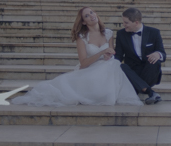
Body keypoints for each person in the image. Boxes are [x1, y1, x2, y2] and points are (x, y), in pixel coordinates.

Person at [12, 7, 142, 107]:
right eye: (87, 15)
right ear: (84, 22)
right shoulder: (82, 37)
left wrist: (108, 54)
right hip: (90, 69)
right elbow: (83, 63)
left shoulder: (108, 33)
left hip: (107, 68)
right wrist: (100, 54)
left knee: (114, 64)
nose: (91, 16)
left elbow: (113, 53)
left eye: (92, 12)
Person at [114, 7, 165, 105]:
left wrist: (158, 54)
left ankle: (136, 87)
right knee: (121, 66)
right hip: (133, 71)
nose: (123, 25)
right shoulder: (121, 34)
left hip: (149, 72)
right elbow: (119, 55)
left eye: (126, 23)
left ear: (136, 22)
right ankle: (151, 92)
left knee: (155, 60)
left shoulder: (154, 32)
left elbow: (163, 53)